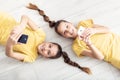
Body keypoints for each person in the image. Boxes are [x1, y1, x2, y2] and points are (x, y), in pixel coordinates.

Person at [27, 3, 120, 69]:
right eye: (64, 32)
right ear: (65, 37)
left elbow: (107, 29)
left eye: (67, 26)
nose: (68, 30)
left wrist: (93, 30)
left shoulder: (84, 24)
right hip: (116, 57)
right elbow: (100, 57)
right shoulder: (76, 46)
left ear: (70, 23)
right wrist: (90, 44)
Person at [0, 11, 92, 74]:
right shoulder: (41, 35)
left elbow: (9, 54)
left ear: (45, 57)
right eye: (50, 46)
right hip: (4, 18)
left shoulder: (31, 57)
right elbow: (25, 17)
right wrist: (21, 27)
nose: (45, 48)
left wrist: (10, 44)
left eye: (48, 52)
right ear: (49, 42)